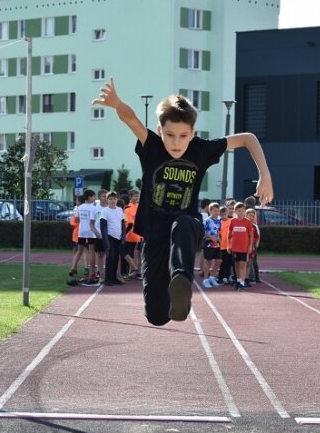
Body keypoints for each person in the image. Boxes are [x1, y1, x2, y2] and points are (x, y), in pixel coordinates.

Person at [92, 77, 273, 325]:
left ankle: (181, 280)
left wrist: (265, 174)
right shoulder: (152, 146)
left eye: (183, 136)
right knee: (156, 317)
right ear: (159, 131)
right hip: (155, 236)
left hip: (187, 228)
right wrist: (116, 103)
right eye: (170, 135)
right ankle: (176, 298)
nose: (176, 143)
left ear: (193, 133)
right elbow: (130, 118)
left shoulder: (201, 149)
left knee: (183, 224)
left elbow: (248, 138)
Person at [76, 189, 102, 286]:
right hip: (92, 231)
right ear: (90, 197)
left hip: (82, 231)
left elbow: (77, 219)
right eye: (93, 196)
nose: (94, 198)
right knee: (92, 252)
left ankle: (74, 267)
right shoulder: (94, 207)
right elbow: (98, 218)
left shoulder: (80, 207)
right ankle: (92, 272)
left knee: (80, 251)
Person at [100, 192, 126, 286]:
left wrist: (123, 236)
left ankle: (114, 278)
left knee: (116, 258)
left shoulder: (120, 210)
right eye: (110, 199)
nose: (112, 200)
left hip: (118, 238)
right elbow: (103, 227)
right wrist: (106, 241)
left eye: (114, 199)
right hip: (109, 237)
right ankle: (107, 279)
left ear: (117, 200)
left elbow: (123, 224)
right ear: (107, 200)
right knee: (110, 257)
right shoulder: (104, 211)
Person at [228, 202, 255, 292]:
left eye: (243, 211)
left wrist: (250, 246)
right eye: (239, 211)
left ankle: (242, 283)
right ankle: (238, 280)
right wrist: (228, 245)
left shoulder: (247, 222)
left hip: (244, 248)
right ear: (236, 212)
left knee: (243, 265)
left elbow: (251, 235)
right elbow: (229, 234)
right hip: (235, 247)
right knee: (236, 265)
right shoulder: (232, 221)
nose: (241, 213)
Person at [202, 202, 222, 288]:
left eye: (218, 211)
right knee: (208, 261)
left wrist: (219, 238)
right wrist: (210, 237)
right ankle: (205, 279)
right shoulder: (207, 221)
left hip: (217, 243)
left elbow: (219, 232)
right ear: (210, 211)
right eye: (215, 211)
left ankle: (212, 277)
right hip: (208, 243)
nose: (216, 213)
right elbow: (203, 232)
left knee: (219, 260)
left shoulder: (219, 221)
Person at [245, 207, 260, 286]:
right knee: (242, 263)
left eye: (253, 216)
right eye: (250, 215)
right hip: (242, 247)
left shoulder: (254, 227)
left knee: (249, 263)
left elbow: (256, 237)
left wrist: (254, 244)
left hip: (251, 248)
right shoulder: (243, 224)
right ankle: (241, 278)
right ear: (246, 215)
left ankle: (250, 278)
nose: (251, 217)